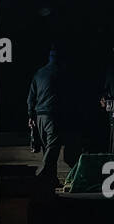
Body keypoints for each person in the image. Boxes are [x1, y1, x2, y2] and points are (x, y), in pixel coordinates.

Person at [26, 47, 79, 187]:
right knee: (52, 148)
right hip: (52, 116)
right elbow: (68, 98)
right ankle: (41, 175)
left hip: (39, 117)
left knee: (46, 148)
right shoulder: (61, 73)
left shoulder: (39, 73)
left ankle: (51, 180)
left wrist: (31, 116)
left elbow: (30, 98)